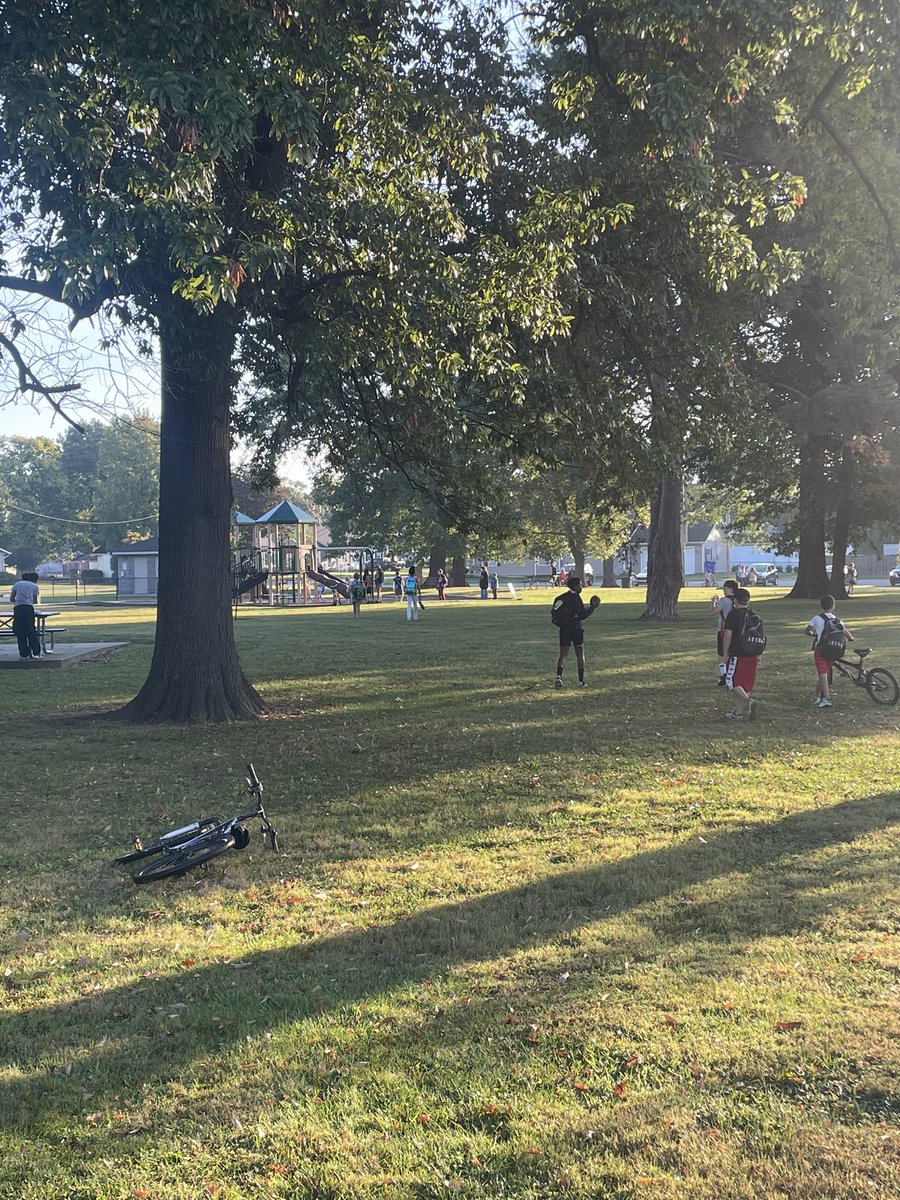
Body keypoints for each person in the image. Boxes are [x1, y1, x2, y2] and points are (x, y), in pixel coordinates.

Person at [805, 593, 853, 708]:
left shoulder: (817, 618)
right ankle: (815, 696)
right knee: (824, 673)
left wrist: (813, 634)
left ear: (821, 605)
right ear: (833, 606)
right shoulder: (837, 620)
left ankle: (826, 698)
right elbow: (846, 633)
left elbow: (807, 631)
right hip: (833, 650)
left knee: (823, 674)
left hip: (821, 650)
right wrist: (851, 638)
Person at [552, 576, 599, 689]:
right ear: (575, 586)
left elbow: (554, 613)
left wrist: (561, 623)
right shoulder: (576, 598)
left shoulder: (560, 598)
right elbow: (581, 615)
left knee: (563, 653)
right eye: (580, 585)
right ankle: (581, 681)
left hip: (564, 628)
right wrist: (592, 608)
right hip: (576, 629)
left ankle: (559, 676)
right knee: (579, 653)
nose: (581, 586)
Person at [721, 587, 759, 719]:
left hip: (738, 653)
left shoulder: (733, 615)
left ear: (735, 600)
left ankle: (749, 701)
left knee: (731, 681)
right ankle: (738, 712)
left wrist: (725, 652)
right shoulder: (755, 616)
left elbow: (727, 636)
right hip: (753, 653)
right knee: (745, 683)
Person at [710, 579, 738, 686]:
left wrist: (713, 601)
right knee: (733, 654)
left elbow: (713, 612)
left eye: (725, 588)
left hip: (723, 630)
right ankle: (732, 675)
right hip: (736, 631)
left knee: (722, 654)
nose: (724, 590)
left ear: (730, 589)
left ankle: (723, 675)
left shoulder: (724, 601)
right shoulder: (737, 600)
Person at [10, 571, 41, 659]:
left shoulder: (17, 584)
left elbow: (12, 598)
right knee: (31, 630)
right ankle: (36, 653)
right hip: (28, 608)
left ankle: (23, 654)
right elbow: (34, 601)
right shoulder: (34, 586)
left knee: (20, 631)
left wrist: (18, 601)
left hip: (18, 608)